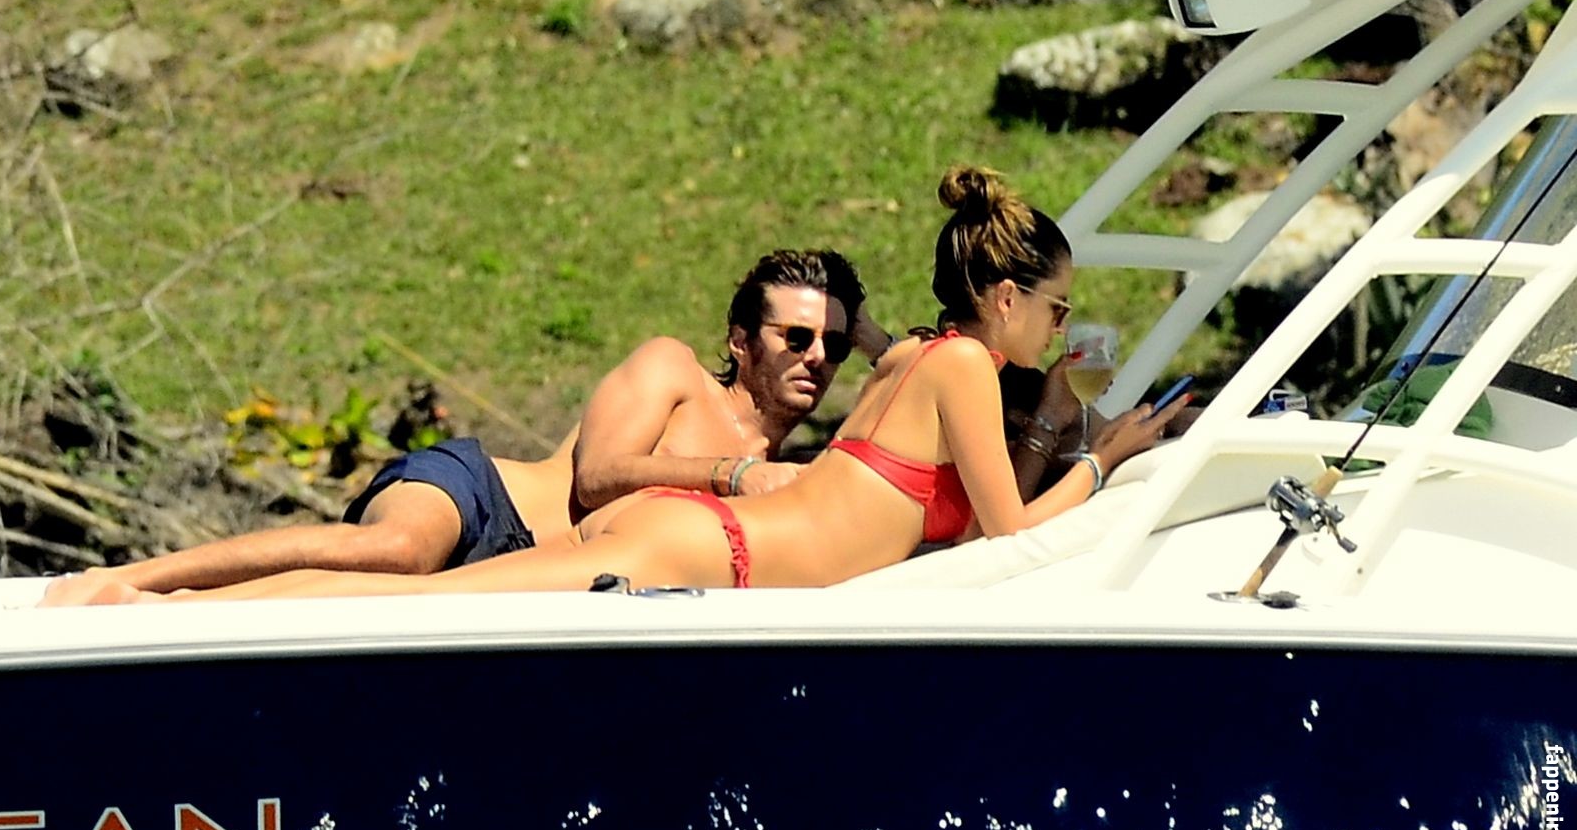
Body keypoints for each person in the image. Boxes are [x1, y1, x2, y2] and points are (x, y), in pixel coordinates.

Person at [117, 166, 1184, 603]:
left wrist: (1061, 420)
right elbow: (1009, 530)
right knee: (409, 590)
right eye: (1054, 308)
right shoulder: (955, 364)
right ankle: (159, 604)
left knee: (416, 597)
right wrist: (1105, 458)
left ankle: (165, 602)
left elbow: (964, 488)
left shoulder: (921, 360)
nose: (1060, 326)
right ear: (1004, 298)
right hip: (699, 545)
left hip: (704, 541)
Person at [40, 248, 877, 605]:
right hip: (479, 496)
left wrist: (871, 333)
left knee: (401, 586)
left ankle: (189, 605)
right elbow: (597, 479)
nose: (817, 356)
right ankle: (141, 582)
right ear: (740, 340)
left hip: (528, 584)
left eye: (834, 345)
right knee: (396, 553)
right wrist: (731, 476)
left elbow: (915, 380)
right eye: (796, 336)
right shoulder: (674, 370)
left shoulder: (800, 473)